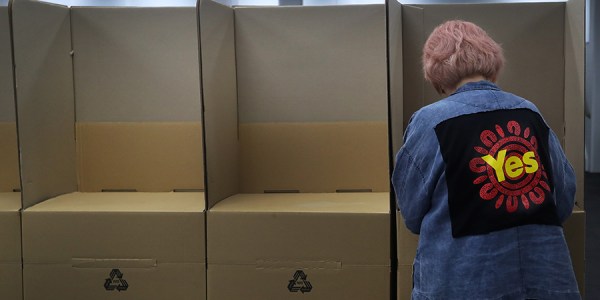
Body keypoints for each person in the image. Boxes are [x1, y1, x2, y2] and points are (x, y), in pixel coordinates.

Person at [392, 20, 580, 300]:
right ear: (491, 59)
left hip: (461, 282)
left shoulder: (429, 121)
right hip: (543, 279)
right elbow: (563, 199)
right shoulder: (528, 112)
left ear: (435, 71)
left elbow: (412, 211)